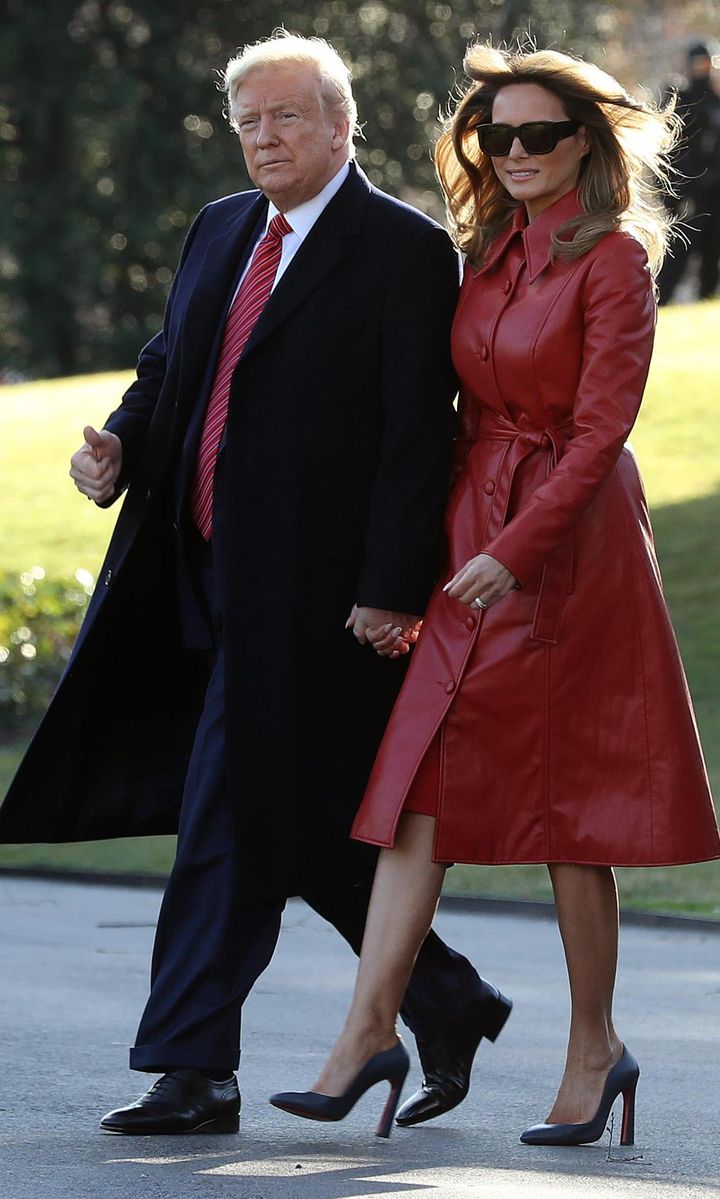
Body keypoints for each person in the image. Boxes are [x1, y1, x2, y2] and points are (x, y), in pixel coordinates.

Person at [0, 32, 512, 1135]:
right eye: (248, 121)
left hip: (316, 599)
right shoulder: (222, 226)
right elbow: (169, 359)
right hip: (192, 571)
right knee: (305, 818)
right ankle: (449, 999)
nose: (265, 138)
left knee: (225, 817)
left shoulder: (404, 252)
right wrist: (124, 446)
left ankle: (195, 1068)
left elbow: (419, 438)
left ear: (341, 123)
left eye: (286, 116)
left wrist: (390, 587)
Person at [269, 44, 720, 1146]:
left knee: (576, 810)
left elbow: (602, 429)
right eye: (497, 136)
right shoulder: (484, 254)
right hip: (475, 532)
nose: (515, 154)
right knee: (420, 778)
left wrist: (516, 549)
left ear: (584, 146)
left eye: (539, 136)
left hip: (574, 546)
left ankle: (594, 1046)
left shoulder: (612, 261)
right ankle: (366, 1032)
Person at [658, 40, 720, 303]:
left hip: (714, 190)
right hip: (686, 189)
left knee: (711, 250)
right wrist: (673, 190)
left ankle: (706, 296)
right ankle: (663, 299)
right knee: (678, 250)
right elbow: (669, 146)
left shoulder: (716, 99)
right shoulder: (681, 97)